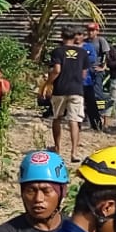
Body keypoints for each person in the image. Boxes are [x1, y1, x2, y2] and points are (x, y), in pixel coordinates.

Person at [48, 26, 88, 161]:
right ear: (75, 37)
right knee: (74, 121)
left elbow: (57, 70)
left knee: (57, 118)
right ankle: (74, 152)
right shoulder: (82, 53)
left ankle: (57, 148)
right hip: (76, 89)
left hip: (60, 89)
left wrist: (48, 82)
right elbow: (84, 74)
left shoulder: (57, 51)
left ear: (62, 37)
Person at [81, 23, 105, 132]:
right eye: (89, 30)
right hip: (85, 72)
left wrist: (103, 67)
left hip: (95, 71)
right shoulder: (85, 43)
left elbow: (106, 55)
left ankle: (101, 115)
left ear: (97, 31)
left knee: (97, 95)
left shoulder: (100, 41)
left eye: (92, 30)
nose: (90, 32)